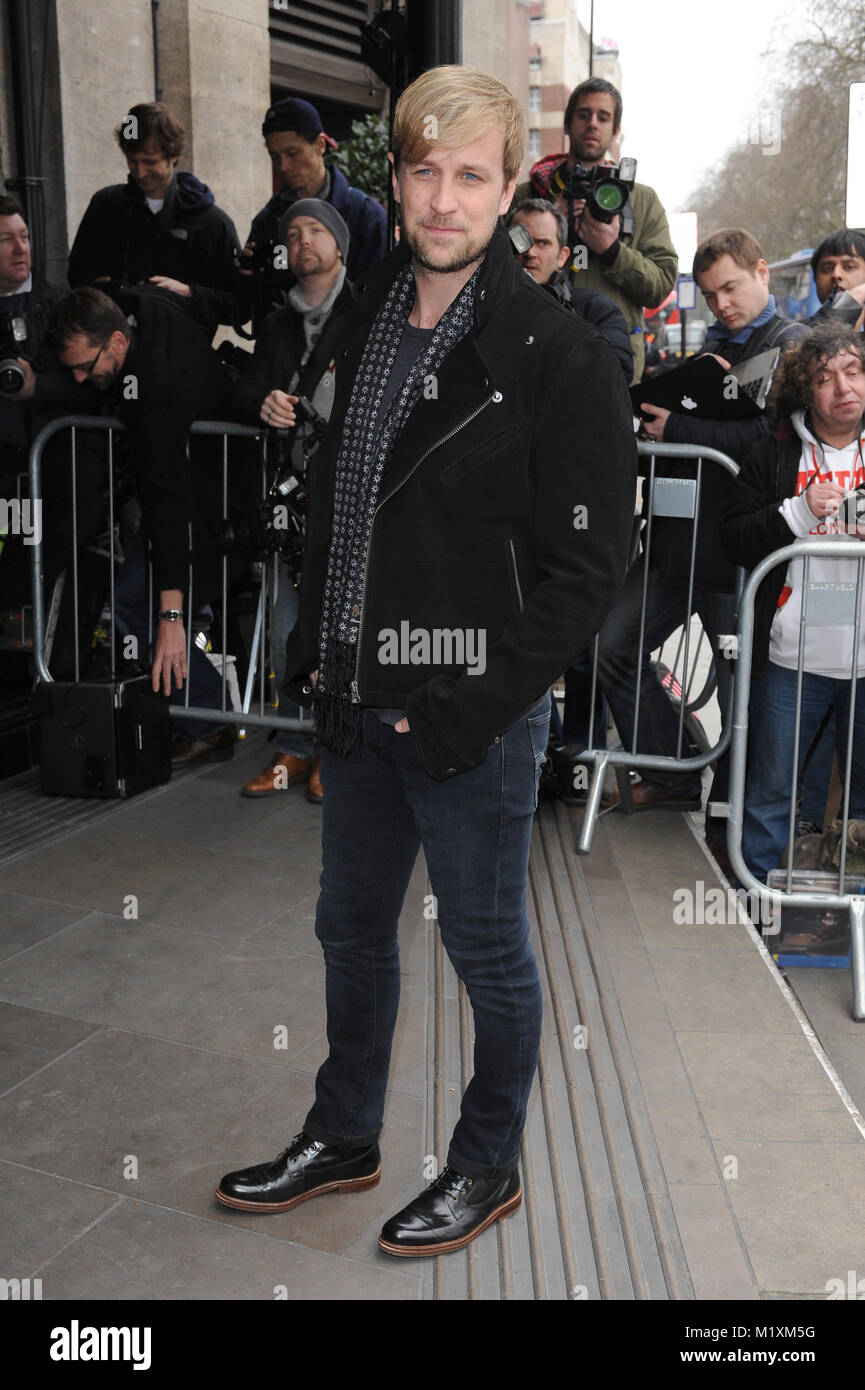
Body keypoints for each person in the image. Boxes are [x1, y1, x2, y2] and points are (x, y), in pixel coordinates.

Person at [215, 65, 637, 1257]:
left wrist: (461, 712)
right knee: (348, 930)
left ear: (510, 190)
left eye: (470, 175)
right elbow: (354, 501)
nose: (443, 199)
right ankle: (345, 1132)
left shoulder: (557, 353)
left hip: (467, 717)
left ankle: (487, 1160)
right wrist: (320, 661)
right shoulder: (371, 302)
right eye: (422, 171)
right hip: (352, 700)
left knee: (485, 948)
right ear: (390, 179)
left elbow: (584, 574)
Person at [597, 229, 806, 861]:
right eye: (711, 295)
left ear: (762, 273)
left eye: (730, 289)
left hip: (739, 552)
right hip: (676, 540)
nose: (721, 304)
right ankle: (674, 772)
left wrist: (680, 425)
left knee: (738, 684)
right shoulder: (714, 343)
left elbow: (776, 441)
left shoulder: (792, 347)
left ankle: (731, 822)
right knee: (614, 645)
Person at [21, 287, 243, 761]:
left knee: (137, 609)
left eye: (86, 366)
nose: (81, 378)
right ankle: (204, 713)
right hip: (198, 487)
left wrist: (170, 617)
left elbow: (167, 510)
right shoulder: (141, 306)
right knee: (138, 606)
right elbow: (130, 293)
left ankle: (209, 717)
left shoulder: (154, 394)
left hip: (215, 503)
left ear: (119, 343)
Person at [721, 323, 865, 882]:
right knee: (770, 791)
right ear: (807, 392)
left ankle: (850, 905)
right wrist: (799, 512)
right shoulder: (772, 454)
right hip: (794, 656)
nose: (843, 387)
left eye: (853, 371)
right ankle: (759, 900)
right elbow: (733, 538)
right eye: (825, 378)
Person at [233, 200, 355, 805]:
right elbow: (251, 385)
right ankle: (295, 743)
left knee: (345, 625)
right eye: (293, 234)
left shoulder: (367, 310)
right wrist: (264, 404)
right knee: (287, 626)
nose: (303, 241)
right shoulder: (279, 323)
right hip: (292, 493)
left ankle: (335, 748)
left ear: (340, 243)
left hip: (351, 492)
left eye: (315, 231)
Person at [512, 77, 677, 383]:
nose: (592, 124)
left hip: (615, 364)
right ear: (567, 123)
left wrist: (613, 250)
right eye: (583, 115)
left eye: (603, 118)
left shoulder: (641, 201)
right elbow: (493, 269)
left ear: (616, 131)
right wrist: (548, 219)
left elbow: (661, 286)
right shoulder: (528, 195)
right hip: (533, 358)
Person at [68, 102, 240, 336]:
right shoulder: (105, 204)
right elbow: (76, 274)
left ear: (174, 158)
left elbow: (238, 307)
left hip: (183, 360)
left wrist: (189, 293)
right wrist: (99, 289)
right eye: (132, 160)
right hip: (113, 352)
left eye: (149, 162)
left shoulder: (212, 222)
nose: (139, 172)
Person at [245, 97, 387, 285]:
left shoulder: (366, 217)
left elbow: (381, 297)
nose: (283, 166)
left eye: (293, 153)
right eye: (274, 156)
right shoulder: (267, 221)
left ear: (320, 145)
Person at [508, 198, 632, 381]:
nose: (530, 252)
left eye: (542, 243)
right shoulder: (484, 306)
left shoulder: (596, 310)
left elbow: (616, 374)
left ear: (562, 256)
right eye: (520, 240)